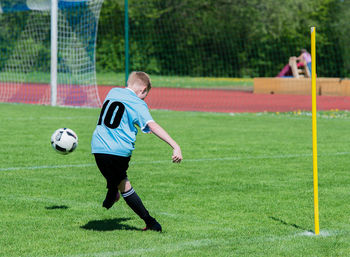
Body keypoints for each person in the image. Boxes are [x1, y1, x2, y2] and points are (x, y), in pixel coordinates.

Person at [91, 71, 182, 232]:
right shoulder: (138, 103)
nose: (144, 99)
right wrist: (175, 145)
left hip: (97, 147)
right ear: (143, 90)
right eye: (145, 95)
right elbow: (152, 126)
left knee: (115, 175)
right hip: (119, 150)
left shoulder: (113, 92)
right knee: (124, 184)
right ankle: (151, 222)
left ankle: (112, 192)